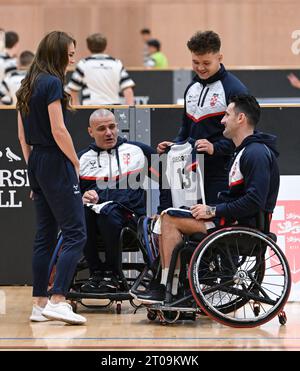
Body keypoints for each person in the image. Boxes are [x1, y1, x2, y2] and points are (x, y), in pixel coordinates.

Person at [136, 94, 280, 303]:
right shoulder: (244, 151)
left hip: (243, 228)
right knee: (167, 216)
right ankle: (169, 284)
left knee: (169, 219)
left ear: (240, 118)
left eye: (227, 115)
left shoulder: (255, 153)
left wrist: (213, 211)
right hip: (231, 221)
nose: (222, 120)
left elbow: (254, 201)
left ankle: (168, 287)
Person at [16, 31, 87, 325]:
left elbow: (22, 138)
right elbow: (59, 130)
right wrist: (75, 162)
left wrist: (35, 171)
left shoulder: (26, 85)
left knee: (44, 236)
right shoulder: (53, 82)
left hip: (37, 161)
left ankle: (39, 304)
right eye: (70, 54)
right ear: (57, 54)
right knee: (76, 233)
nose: (73, 59)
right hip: (56, 160)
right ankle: (58, 299)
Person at [157, 30, 248, 205]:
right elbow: (186, 128)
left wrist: (215, 148)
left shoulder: (235, 89)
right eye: (195, 62)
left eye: (206, 62)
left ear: (220, 58)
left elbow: (244, 135)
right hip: (189, 171)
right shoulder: (191, 88)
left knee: (213, 226)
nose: (200, 68)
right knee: (187, 222)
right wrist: (175, 144)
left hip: (221, 171)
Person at [78, 109, 156, 292]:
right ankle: (96, 272)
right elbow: (72, 193)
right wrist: (81, 196)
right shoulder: (82, 158)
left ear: (117, 127)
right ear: (91, 132)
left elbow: (169, 173)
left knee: (108, 213)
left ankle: (112, 273)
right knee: (81, 213)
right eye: (101, 128)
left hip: (128, 217)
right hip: (93, 216)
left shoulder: (138, 150)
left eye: (112, 127)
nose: (109, 133)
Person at [66, 33, 135, 105]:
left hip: (90, 109)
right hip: (114, 108)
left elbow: (73, 90)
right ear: (105, 46)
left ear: (88, 46)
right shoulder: (116, 63)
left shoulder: (83, 64)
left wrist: (77, 111)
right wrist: (130, 112)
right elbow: (128, 90)